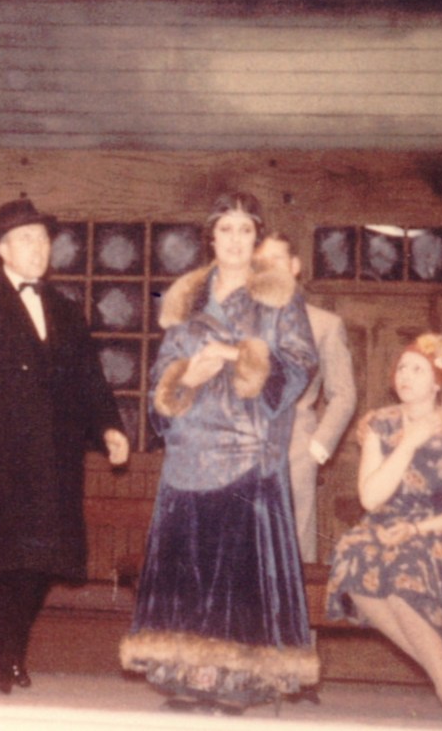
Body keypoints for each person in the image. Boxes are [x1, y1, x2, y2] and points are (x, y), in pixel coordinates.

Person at [120, 192, 319, 712]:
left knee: (236, 576)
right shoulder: (183, 300)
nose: (234, 240)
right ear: (210, 237)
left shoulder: (280, 296)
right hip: (190, 449)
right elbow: (159, 384)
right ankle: (187, 674)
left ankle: (235, 678)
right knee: (190, 570)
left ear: (257, 238)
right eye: (225, 229)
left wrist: (236, 355)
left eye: (245, 230)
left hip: (247, 450)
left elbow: (301, 363)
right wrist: (188, 376)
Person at [0, 198, 131, 695]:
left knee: (41, 563)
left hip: (52, 459)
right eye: (26, 239)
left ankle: (9, 652)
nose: (39, 248)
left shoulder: (66, 310)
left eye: (43, 239)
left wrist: (110, 428)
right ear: (1, 249)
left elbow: (90, 381)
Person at [325, 333, 442, 723]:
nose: (405, 376)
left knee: (399, 572)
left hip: (437, 531)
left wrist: (416, 530)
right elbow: (370, 498)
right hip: (382, 525)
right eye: (402, 368)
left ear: (438, 381)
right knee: (352, 557)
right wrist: (408, 444)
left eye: (418, 369)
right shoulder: (380, 423)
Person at [256, 232, 357, 563]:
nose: (269, 267)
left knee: (294, 544)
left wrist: (317, 446)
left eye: (277, 259)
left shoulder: (325, 324)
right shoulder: (241, 321)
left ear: (295, 265)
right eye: (262, 262)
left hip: (296, 445)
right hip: (243, 444)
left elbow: (343, 394)